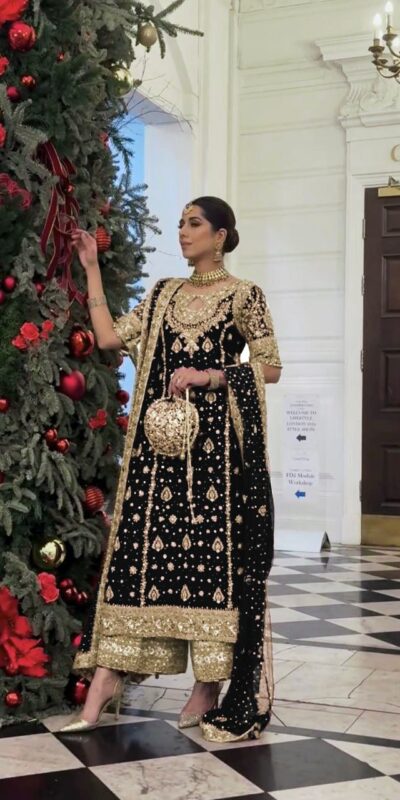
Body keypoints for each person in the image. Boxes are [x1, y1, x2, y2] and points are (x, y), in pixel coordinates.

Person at [60, 196, 281, 742]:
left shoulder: (244, 295)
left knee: (209, 561)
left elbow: (270, 367)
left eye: (194, 223)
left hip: (214, 460)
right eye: (181, 223)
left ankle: (208, 684)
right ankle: (105, 679)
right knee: (135, 556)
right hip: (155, 456)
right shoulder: (163, 294)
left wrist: (210, 376)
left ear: (220, 236)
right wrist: (91, 267)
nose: (183, 231)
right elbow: (109, 339)